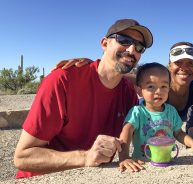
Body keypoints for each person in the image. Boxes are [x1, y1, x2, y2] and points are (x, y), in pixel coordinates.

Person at [13, 18, 153, 178]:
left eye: (140, 47)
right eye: (124, 40)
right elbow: (23, 157)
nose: (132, 49)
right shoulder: (63, 81)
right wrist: (86, 157)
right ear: (105, 43)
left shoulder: (127, 92)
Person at [53, 42, 193, 122]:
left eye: (190, 64)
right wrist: (91, 65)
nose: (184, 68)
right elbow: (113, 73)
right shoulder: (149, 81)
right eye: (178, 63)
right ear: (169, 65)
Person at [118, 62, 193, 172]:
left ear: (169, 89)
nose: (158, 91)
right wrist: (124, 157)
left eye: (164, 86)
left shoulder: (171, 111)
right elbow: (126, 132)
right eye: (151, 86)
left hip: (166, 160)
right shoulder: (137, 112)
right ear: (139, 90)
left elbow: (179, 133)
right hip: (142, 162)